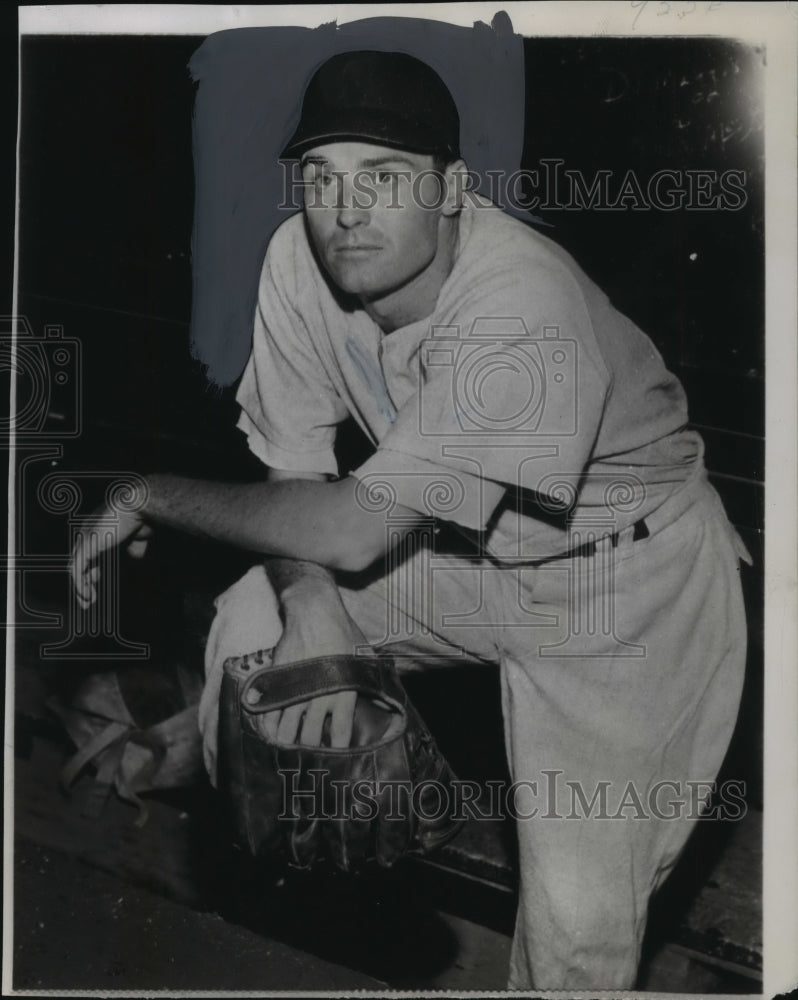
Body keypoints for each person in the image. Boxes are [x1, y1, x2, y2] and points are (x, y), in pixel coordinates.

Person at [70, 50, 751, 990]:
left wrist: (148, 492)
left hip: (628, 590)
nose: (345, 209)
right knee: (253, 623)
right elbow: (296, 463)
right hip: (468, 555)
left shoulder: (521, 306)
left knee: (578, 936)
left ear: (451, 190)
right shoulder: (299, 261)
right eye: (321, 177)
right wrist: (313, 608)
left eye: (383, 177)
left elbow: (349, 529)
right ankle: (307, 886)